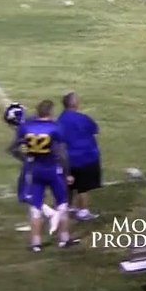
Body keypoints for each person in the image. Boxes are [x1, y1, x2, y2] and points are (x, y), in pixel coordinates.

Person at [12, 100, 77, 252]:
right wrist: (68, 173)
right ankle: (64, 239)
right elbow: (62, 154)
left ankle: (36, 243)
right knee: (62, 205)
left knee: (35, 208)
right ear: (50, 112)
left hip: (35, 170)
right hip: (53, 170)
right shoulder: (55, 128)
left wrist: (27, 158)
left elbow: (14, 149)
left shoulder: (26, 127)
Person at [57, 93, 101, 222]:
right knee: (83, 187)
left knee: (69, 185)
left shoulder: (60, 120)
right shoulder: (82, 118)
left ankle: (68, 207)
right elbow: (95, 129)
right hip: (86, 157)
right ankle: (83, 211)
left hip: (67, 159)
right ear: (74, 104)